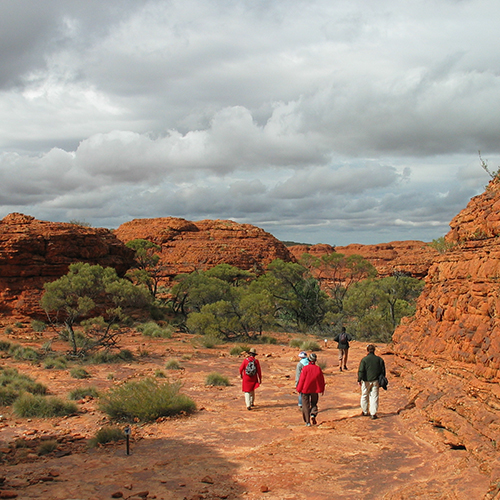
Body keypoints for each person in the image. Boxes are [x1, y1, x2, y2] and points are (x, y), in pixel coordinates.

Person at [357, 344, 386, 420]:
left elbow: (361, 371)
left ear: (367, 350)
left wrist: (359, 379)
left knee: (364, 395)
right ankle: (373, 413)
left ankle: (365, 411)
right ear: (374, 350)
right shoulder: (379, 359)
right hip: (375, 381)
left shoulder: (364, 360)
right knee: (374, 397)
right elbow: (383, 372)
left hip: (366, 380)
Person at [296, 352, 325, 426]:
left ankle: (307, 422)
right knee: (314, 403)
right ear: (315, 361)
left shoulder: (305, 368)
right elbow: (321, 380)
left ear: (309, 360)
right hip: (315, 389)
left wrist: (298, 389)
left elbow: (302, 380)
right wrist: (322, 389)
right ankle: (313, 414)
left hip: (305, 389)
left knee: (305, 405)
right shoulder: (318, 369)